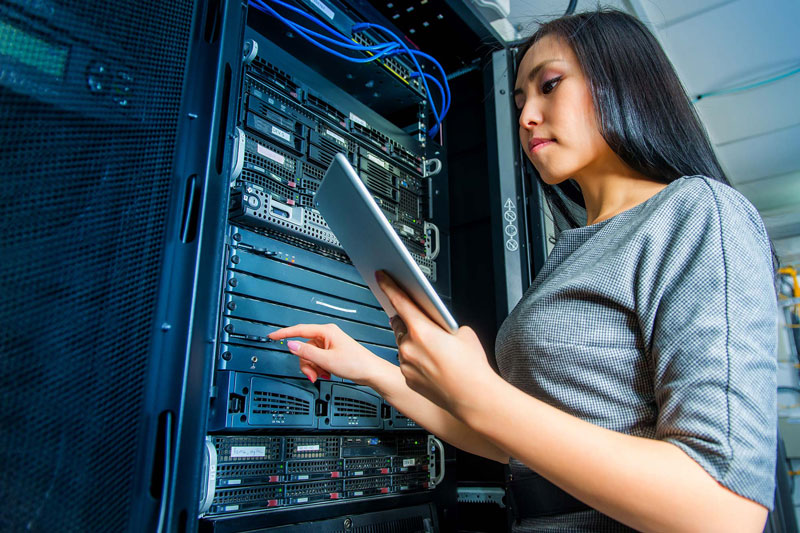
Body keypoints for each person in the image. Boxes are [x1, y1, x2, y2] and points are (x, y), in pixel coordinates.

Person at [270, 9, 778, 532]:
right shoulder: (572, 252)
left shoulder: (698, 213)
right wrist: (376, 371)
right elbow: (516, 442)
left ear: (624, 82)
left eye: (549, 85)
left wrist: (482, 394)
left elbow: (725, 511)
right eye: (518, 103)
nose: (527, 116)